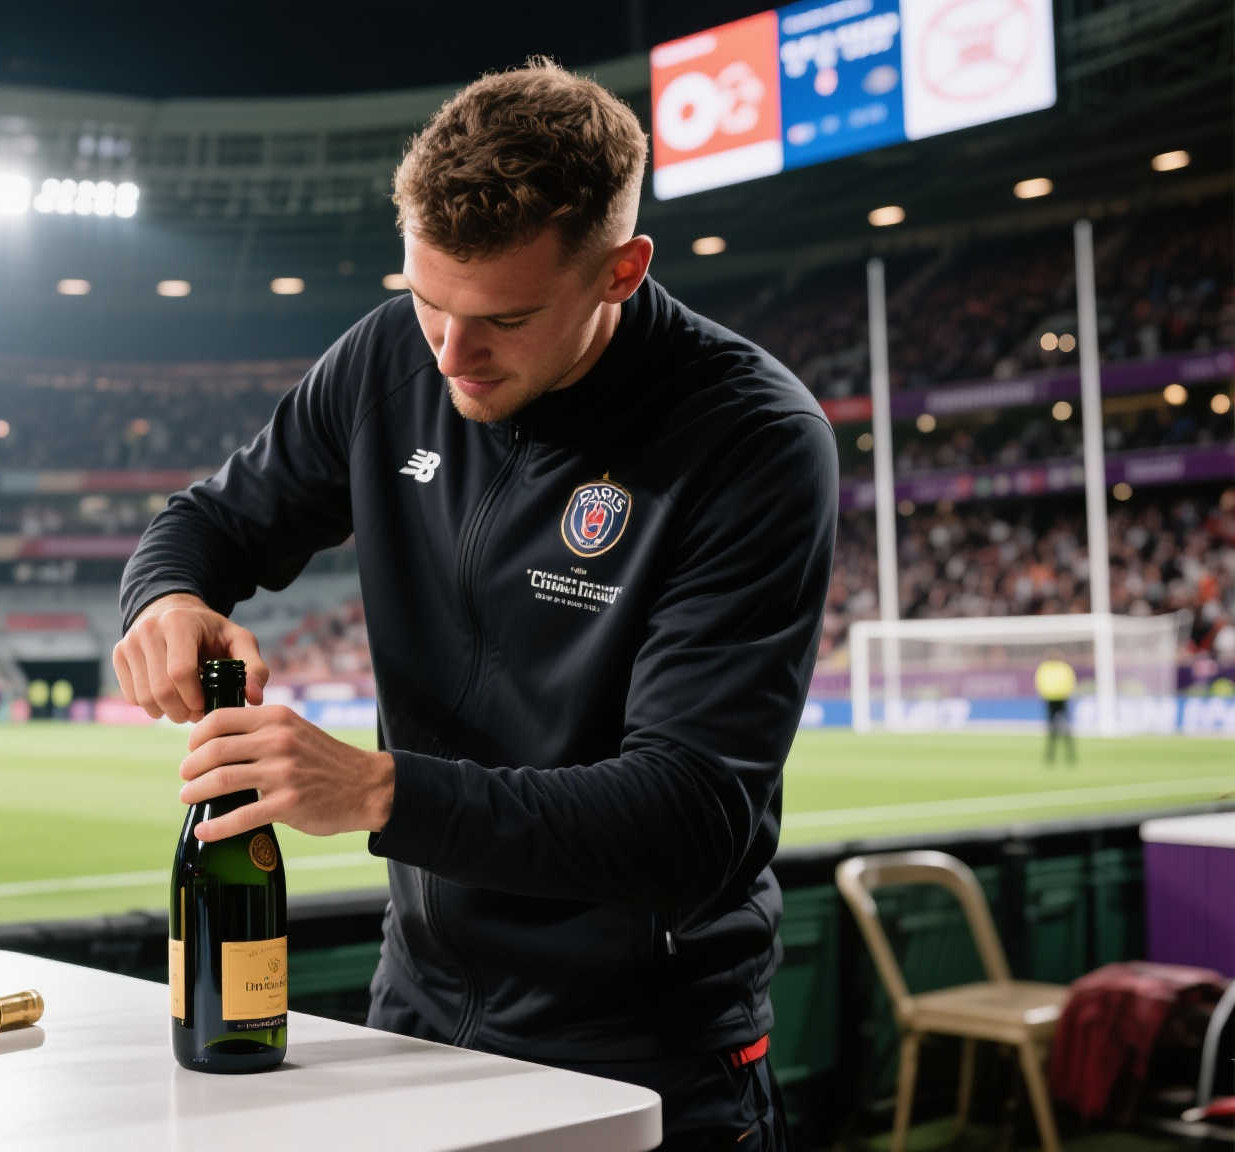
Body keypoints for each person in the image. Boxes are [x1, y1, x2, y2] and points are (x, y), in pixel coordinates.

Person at [114, 58, 835, 1150]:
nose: (452, 355)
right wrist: (164, 598)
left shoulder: (751, 440)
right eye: (427, 301)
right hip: (415, 1008)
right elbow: (208, 521)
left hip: (642, 1049)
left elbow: (690, 817)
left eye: (505, 316)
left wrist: (378, 790)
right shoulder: (383, 361)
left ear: (621, 271)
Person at [1035, 652, 1077, 766]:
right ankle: (1051, 755)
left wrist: (1066, 693)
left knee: (1065, 728)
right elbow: (1040, 682)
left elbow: (1070, 682)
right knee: (1052, 729)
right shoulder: (1045, 668)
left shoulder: (1063, 668)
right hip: (1050, 700)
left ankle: (1070, 755)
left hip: (1062, 699)